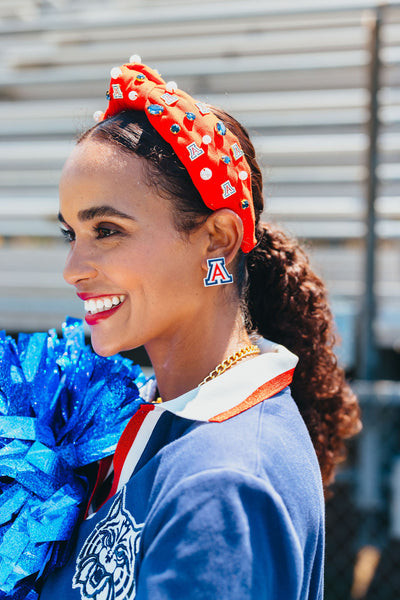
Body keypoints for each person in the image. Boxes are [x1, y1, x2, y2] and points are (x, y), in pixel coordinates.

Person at [40, 59, 361, 600]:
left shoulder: (224, 483)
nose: (73, 267)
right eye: (70, 232)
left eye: (107, 230)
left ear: (218, 239)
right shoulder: (152, 416)